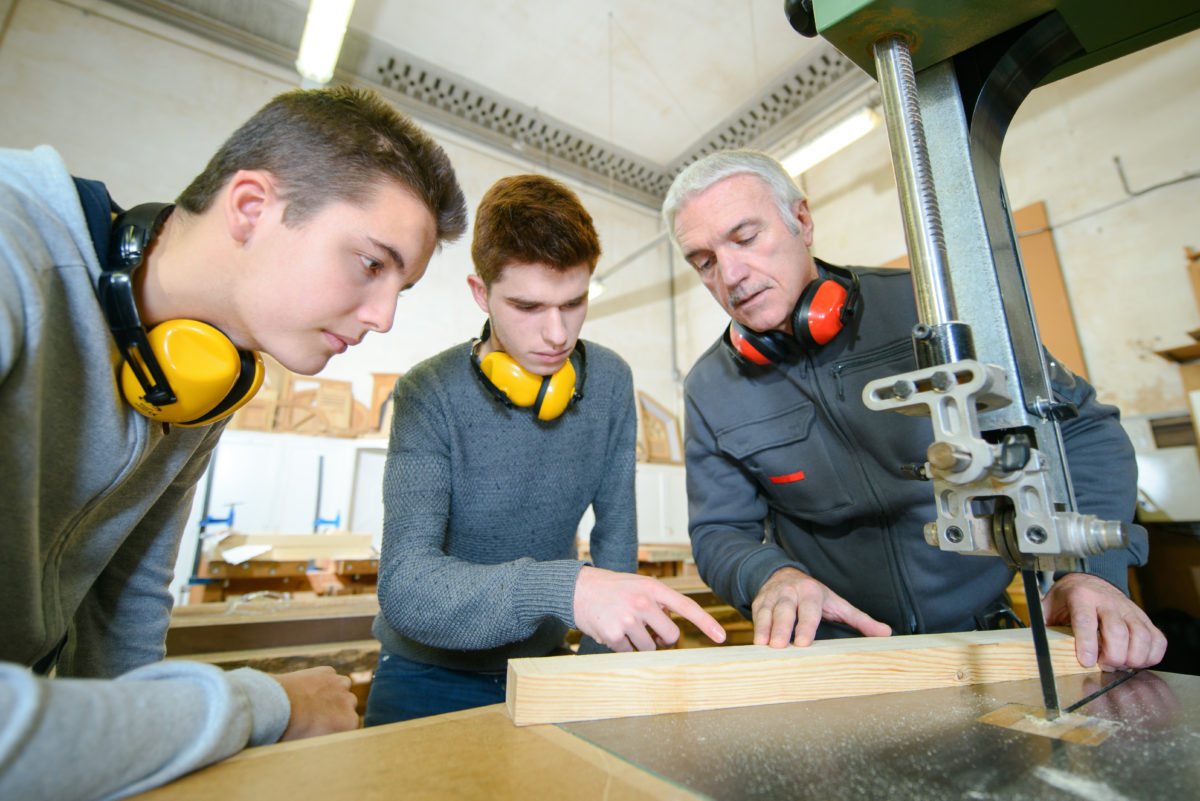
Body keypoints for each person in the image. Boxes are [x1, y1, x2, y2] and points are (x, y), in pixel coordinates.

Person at [0, 85, 467, 800]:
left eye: (401, 287)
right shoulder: (10, 253)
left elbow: (124, 617)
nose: (382, 318)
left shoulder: (201, 384)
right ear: (252, 207)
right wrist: (263, 705)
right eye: (372, 263)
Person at [661, 149, 1167, 671]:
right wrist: (769, 575)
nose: (731, 274)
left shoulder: (933, 311)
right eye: (704, 261)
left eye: (745, 239)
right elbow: (720, 530)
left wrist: (1091, 572)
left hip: (982, 642)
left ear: (802, 221)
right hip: (836, 653)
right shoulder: (711, 386)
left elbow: (1082, 431)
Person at [365, 174, 726, 725]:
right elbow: (408, 589)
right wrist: (566, 587)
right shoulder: (427, 392)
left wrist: (602, 669)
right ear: (481, 294)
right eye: (528, 306)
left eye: (574, 302)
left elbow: (616, 544)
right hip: (423, 676)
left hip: (547, 668)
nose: (557, 334)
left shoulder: (607, 382)